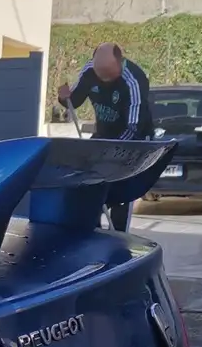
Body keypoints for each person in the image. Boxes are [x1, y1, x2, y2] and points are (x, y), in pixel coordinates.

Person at [57, 43, 154, 232]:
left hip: (132, 139)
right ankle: (93, 230)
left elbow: (135, 126)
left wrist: (110, 152)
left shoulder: (134, 80)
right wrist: (64, 98)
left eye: (109, 74)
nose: (104, 79)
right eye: (100, 74)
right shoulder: (90, 71)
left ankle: (118, 234)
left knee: (120, 188)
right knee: (90, 184)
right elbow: (74, 101)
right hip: (104, 135)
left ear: (120, 62)